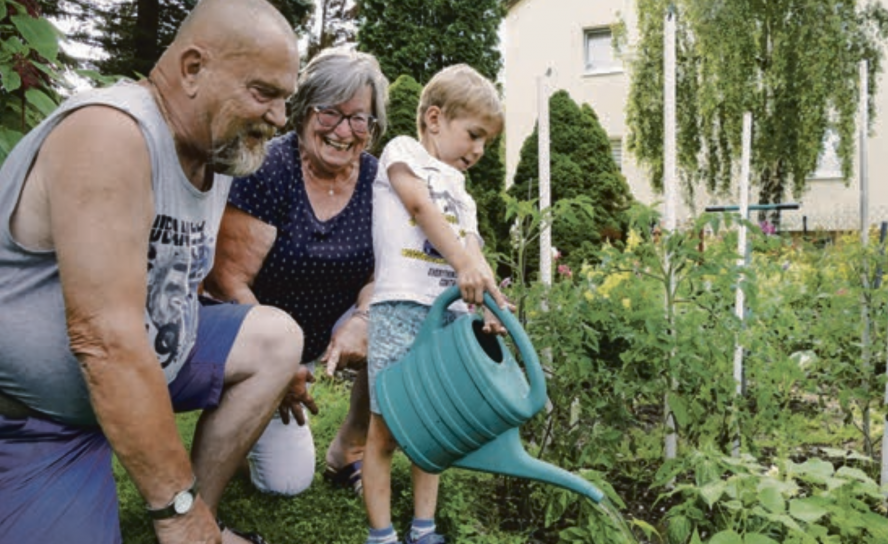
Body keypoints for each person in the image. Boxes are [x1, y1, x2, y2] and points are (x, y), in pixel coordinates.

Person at [0, 1, 313, 543]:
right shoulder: (111, 135)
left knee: (276, 338)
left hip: (141, 364)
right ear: (193, 69)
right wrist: (177, 513)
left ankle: (200, 516)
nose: (281, 119)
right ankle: (184, 519)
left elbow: (175, 278)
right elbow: (105, 343)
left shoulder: (214, 147)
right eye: (264, 93)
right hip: (38, 418)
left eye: (286, 99)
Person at [205, 46, 388, 497]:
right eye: (331, 113)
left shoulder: (378, 180)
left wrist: (364, 321)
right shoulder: (269, 167)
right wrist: (280, 364)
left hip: (325, 331)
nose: (344, 131)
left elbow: (381, 276)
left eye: (360, 118)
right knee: (285, 483)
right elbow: (227, 280)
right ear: (304, 110)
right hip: (259, 341)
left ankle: (351, 446)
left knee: (393, 318)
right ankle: (245, 400)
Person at [362, 64, 508, 544]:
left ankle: (423, 529)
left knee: (435, 427)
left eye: (487, 142)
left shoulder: (463, 191)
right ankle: (381, 535)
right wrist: (464, 264)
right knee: (385, 429)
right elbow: (421, 208)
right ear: (434, 118)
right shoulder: (403, 152)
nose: (479, 150)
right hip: (400, 308)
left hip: (448, 312)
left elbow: (474, 249)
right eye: (473, 135)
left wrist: (489, 302)